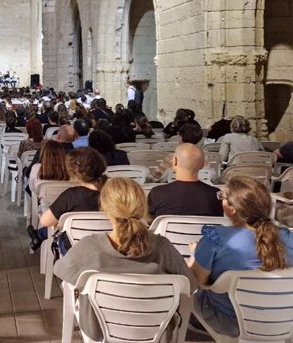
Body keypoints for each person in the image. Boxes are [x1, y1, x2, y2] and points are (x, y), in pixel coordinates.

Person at [54, 177, 197, 342]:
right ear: (143, 207)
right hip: (158, 330)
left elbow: (60, 270)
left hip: (98, 328)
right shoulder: (163, 247)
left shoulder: (89, 247)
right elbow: (190, 285)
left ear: (105, 209)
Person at [189, 177, 293, 337]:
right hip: (283, 320)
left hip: (230, 322)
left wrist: (194, 255)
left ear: (232, 208)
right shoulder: (288, 237)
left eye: (222, 197)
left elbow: (199, 282)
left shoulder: (215, 239)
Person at [29, 147, 107, 252]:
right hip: (107, 247)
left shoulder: (71, 196)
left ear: (74, 174)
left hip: (74, 250)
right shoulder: (115, 192)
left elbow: (45, 221)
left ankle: (39, 235)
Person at [148, 144, 223, 218]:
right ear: (202, 164)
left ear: (175, 161)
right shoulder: (216, 195)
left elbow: (149, 221)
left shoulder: (157, 193)